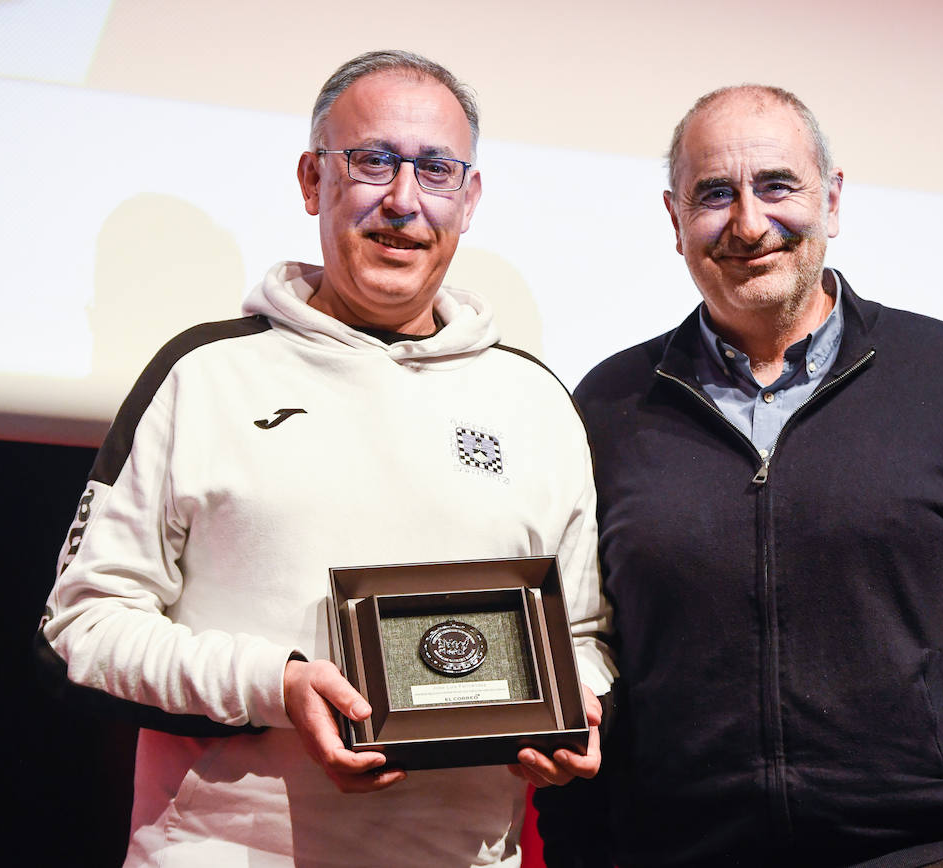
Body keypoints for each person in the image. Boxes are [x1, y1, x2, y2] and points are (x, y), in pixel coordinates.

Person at [37, 50, 612, 867]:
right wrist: (274, 686)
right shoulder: (203, 376)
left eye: (436, 170)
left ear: (470, 197)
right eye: (371, 161)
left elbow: (584, 633)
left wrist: (575, 704)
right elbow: (80, 630)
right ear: (313, 180)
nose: (402, 201)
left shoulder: (537, 403)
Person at [539, 85, 943, 868]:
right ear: (675, 221)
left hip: (929, 852)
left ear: (833, 200)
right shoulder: (608, 406)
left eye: (777, 186)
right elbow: (574, 655)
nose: (749, 223)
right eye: (715, 194)